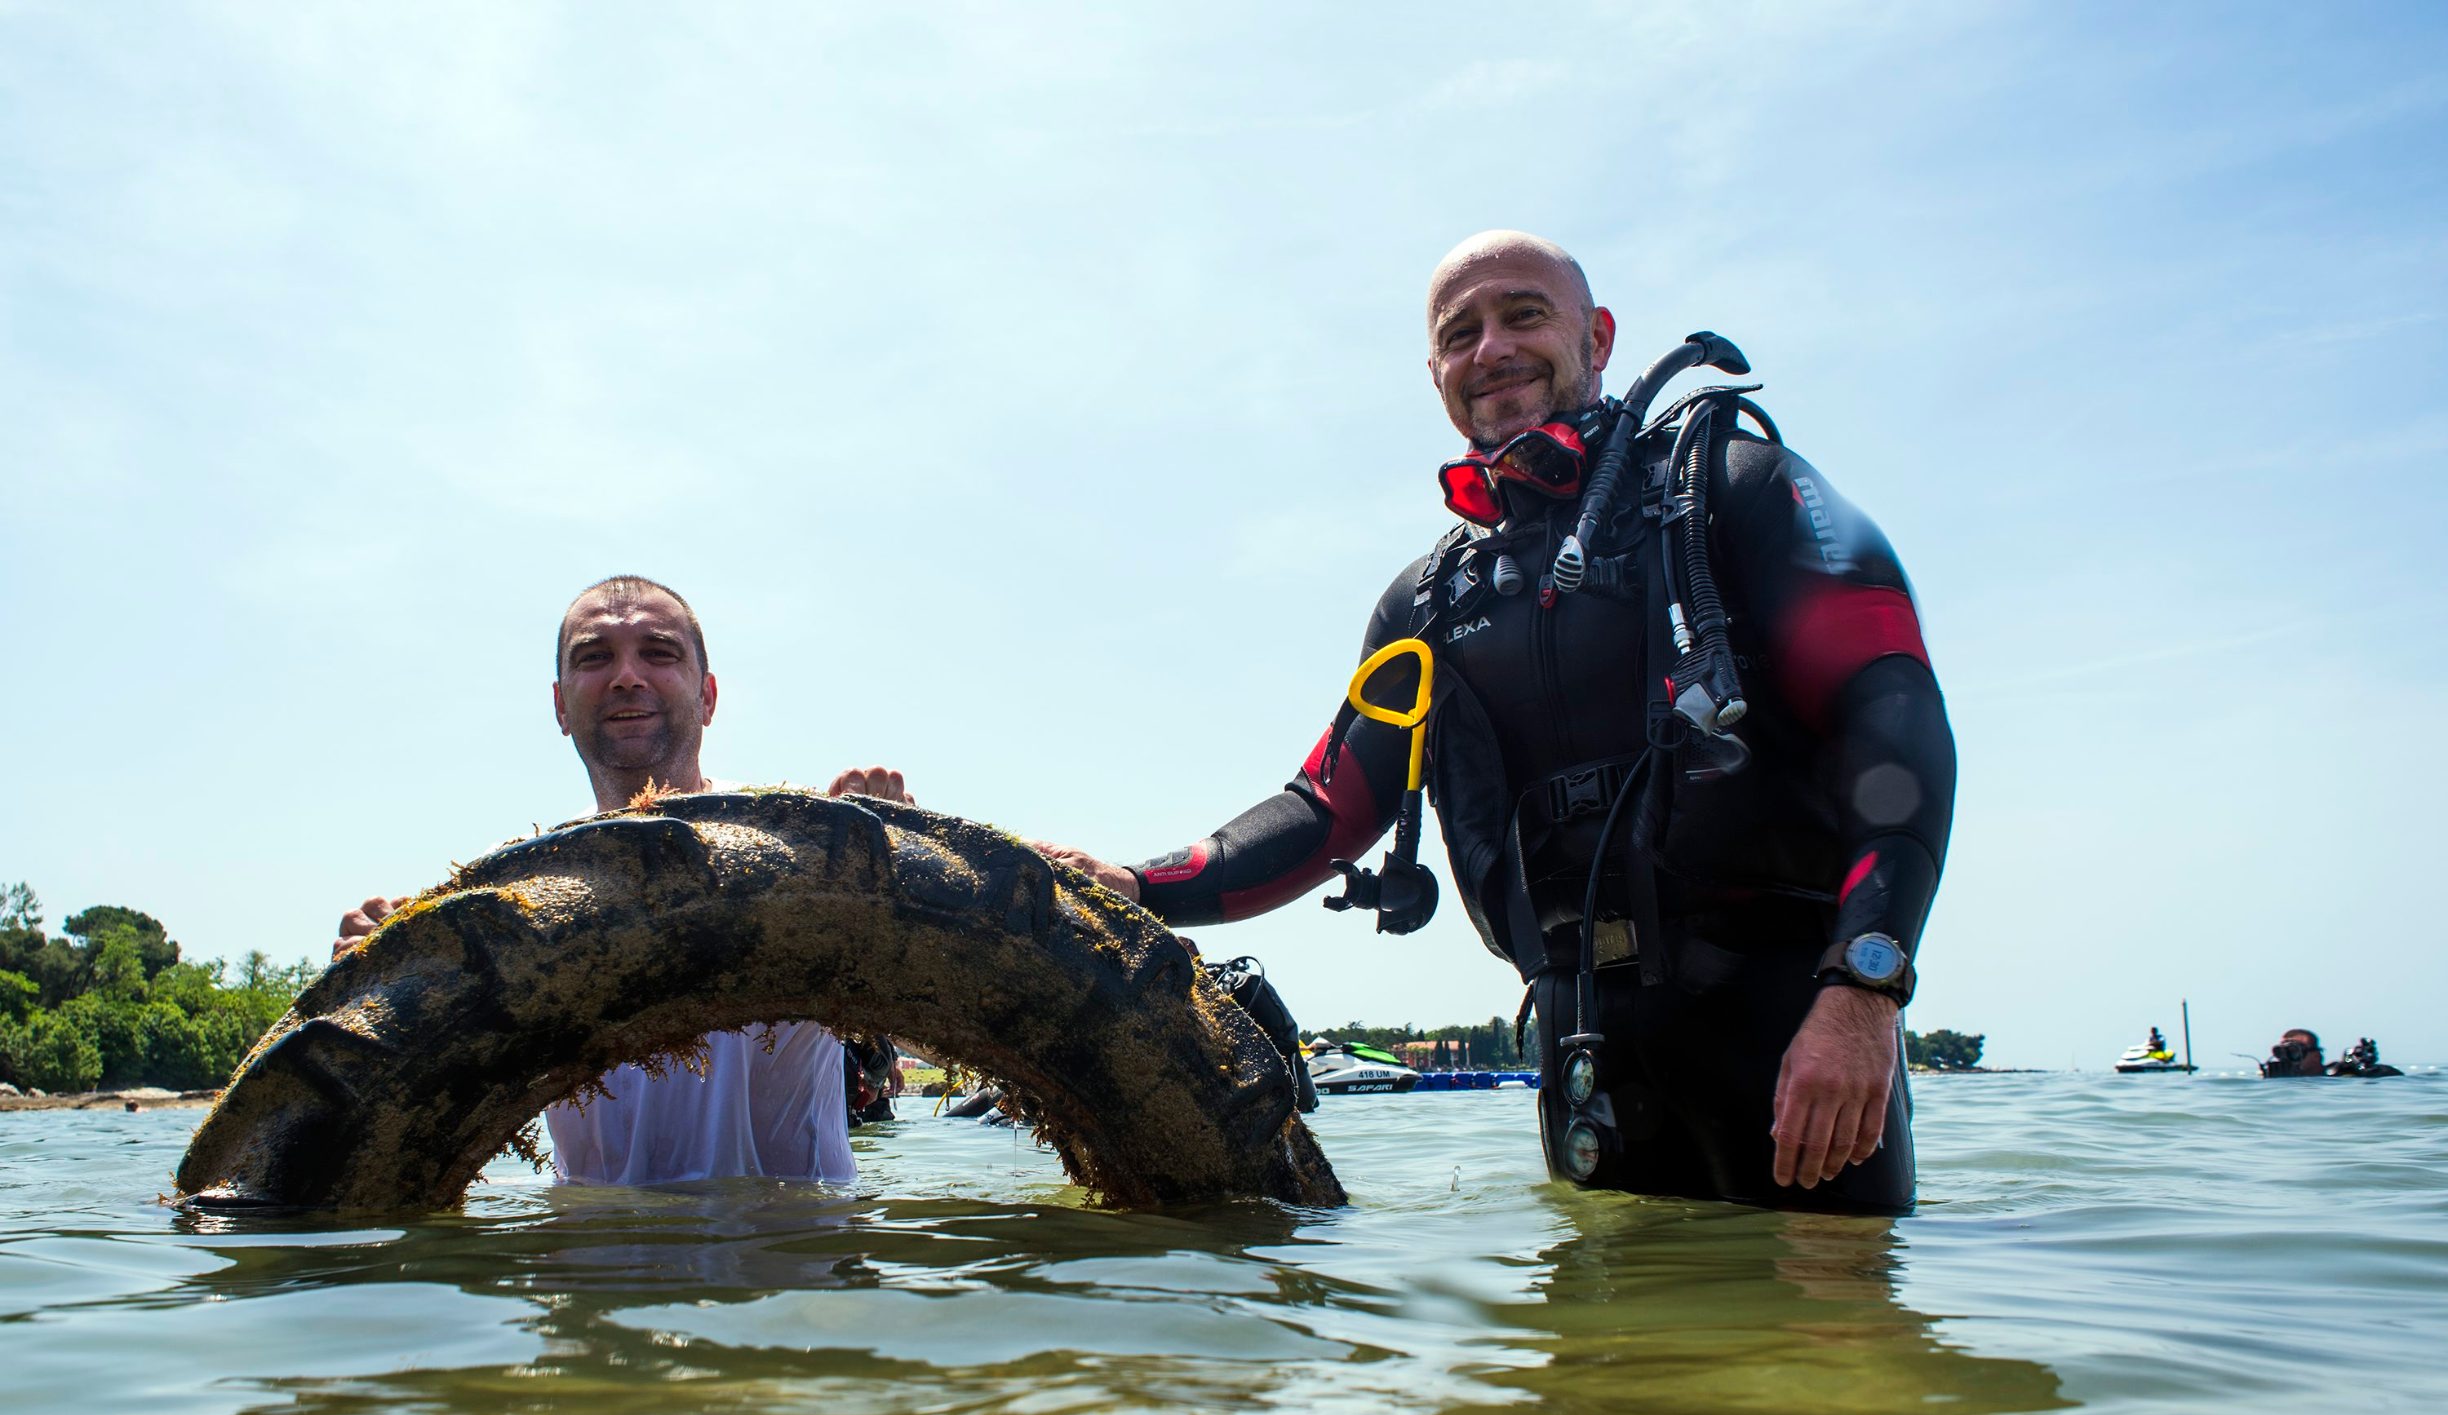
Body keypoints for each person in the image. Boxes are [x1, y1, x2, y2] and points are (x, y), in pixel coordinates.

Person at [1043, 232, 1955, 1215]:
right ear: (1435, 371)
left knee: (1845, 1351)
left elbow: (1893, 722)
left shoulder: (1733, 493)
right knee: (1597, 1365)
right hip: (1582, 1048)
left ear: (1597, 338)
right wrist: (1135, 886)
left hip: (1794, 1025)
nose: (1492, 350)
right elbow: (1324, 808)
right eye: (1460, 332)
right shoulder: (1428, 604)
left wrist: (1865, 985)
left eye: (1525, 314)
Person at [333, 575, 912, 1185]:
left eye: (658, 653)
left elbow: (924, 1012)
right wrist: (371, 975)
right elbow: (427, 1085)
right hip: (590, 1254)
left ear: (708, 697)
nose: (627, 676)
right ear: (560, 705)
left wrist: (890, 854)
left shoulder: (808, 853)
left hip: (794, 1257)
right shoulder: (509, 894)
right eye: (595, 657)